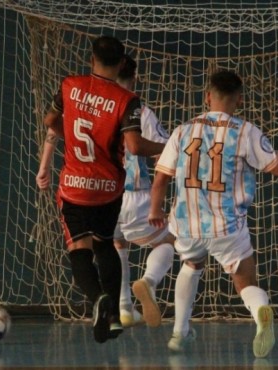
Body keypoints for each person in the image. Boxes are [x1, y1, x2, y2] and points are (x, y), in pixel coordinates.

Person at [148, 69, 278, 358]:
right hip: (227, 225)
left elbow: (161, 179)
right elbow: (277, 168)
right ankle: (259, 312)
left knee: (190, 265)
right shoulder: (245, 131)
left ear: (207, 96)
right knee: (245, 281)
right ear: (239, 100)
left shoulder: (183, 130)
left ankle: (179, 333)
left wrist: (156, 208)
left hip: (188, 223)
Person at [40, 35, 165, 344]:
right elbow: (135, 145)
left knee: (78, 249)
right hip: (109, 188)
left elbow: (50, 121)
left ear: (91, 58)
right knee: (106, 244)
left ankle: (99, 300)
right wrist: (169, 147)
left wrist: (66, 139)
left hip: (74, 186)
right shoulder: (127, 100)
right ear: (122, 63)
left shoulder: (70, 85)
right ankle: (113, 317)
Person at [113, 55, 176, 328]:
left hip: (101, 196)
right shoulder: (140, 111)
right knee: (169, 241)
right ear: (135, 78)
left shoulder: (97, 108)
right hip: (135, 194)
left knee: (117, 244)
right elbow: (164, 148)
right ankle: (148, 283)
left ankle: (124, 307)